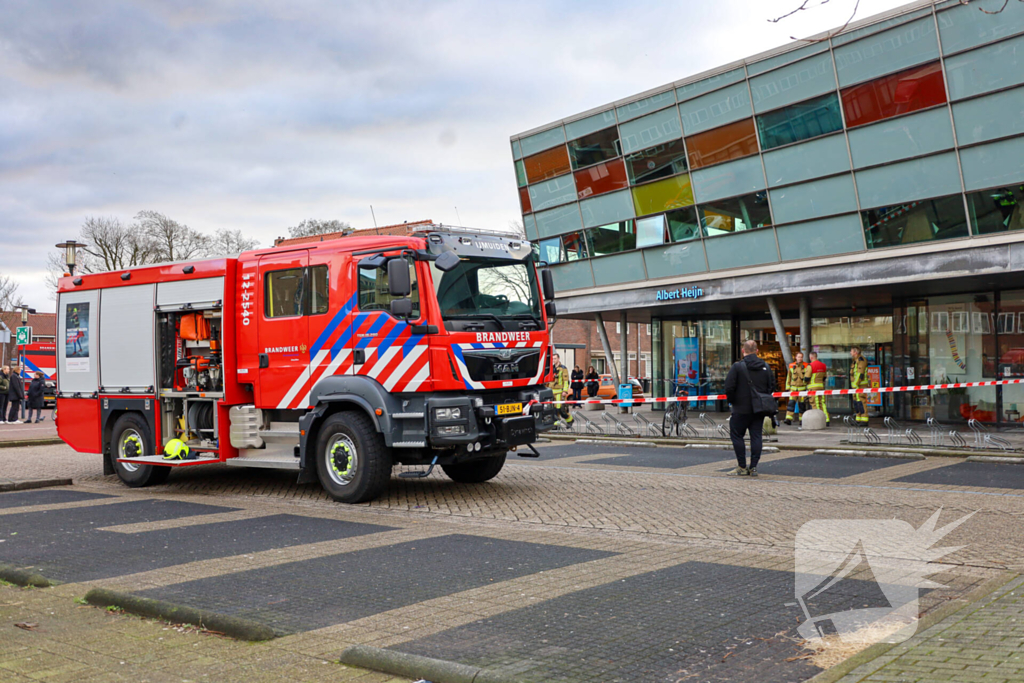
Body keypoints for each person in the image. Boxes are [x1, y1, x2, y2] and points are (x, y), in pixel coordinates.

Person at [724, 340, 777, 477]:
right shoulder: (766, 366)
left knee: (736, 435)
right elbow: (771, 386)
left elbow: (729, 387)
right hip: (758, 409)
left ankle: (742, 466)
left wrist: (731, 401)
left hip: (740, 408)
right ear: (757, 351)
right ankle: (753, 467)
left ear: (743, 351)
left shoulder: (737, 367)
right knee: (756, 436)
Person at [784, 351, 810, 425]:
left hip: (802, 389)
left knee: (802, 405)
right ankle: (788, 419)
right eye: (798, 357)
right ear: (796, 357)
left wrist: (807, 388)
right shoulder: (791, 365)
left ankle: (802, 420)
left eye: (801, 357)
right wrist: (787, 387)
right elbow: (788, 377)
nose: (800, 358)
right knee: (791, 404)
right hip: (793, 389)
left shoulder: (806, 365)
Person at [547, 353, 573, 427]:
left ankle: (570, 420)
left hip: (560, 392)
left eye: (555, 358)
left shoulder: (563, 368)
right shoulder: (551, 368)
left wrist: (565, 391)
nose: (554, 360)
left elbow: (566, 381)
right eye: (553, 359)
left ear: (558, 359)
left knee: (560, 409)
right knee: (553, 410)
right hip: (552, 392)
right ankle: (556, 425)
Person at [850, 347, 871, 425]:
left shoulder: (861, 360)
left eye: (851, 351)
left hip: (860, 385)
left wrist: (855, 384)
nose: (850, 353)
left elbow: (860, 374)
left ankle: (864, 419)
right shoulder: (855, 361)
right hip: (856, 385)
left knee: (861, 401)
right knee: (856, 402)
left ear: (855, 352)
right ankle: (858, 418)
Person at [808, 351, 829, 426]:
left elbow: (807, 378)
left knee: (815, 403)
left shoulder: (810, 365)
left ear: (811, 357)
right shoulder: (823, 365)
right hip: (821, 387)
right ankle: (826, 419)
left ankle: (818, 420)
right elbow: (824, 377)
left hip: (813, 388)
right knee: (822, 403)